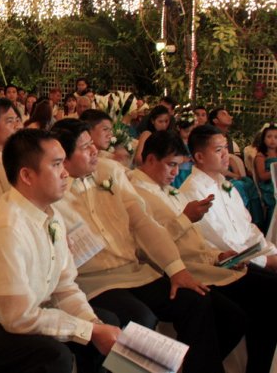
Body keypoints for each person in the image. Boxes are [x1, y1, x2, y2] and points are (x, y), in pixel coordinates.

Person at [50, 118, 244, 373]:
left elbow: (143, 222)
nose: (95, 150)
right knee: (140, 316)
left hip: (134, 271)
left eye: (92, 144)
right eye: (85, 147)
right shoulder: (53, 188)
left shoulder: (110, 171)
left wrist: (176, 269)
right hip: (93, 280)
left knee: (196, 301)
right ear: (63, 158)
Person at [0, 129, 122, 373]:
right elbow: (18, 319)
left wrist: (94, 324)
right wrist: (90, 331)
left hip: (10, 315)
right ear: (27, 175)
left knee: (105, 323)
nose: (65, 172)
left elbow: (64, 287)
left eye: (63, 163)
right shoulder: (7, 229)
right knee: (54, 356)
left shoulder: (51, 215)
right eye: (56, 164)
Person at [132, 130, 277, 373]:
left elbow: (212, 236)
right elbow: (151, 243)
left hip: (208, 261)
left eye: (178, 166)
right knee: (239, 310)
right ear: (150, 159)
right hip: (182, 268)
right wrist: (186, 219)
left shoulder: (166, 189)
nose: (175, 173)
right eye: (171, 165)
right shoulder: (136, 193)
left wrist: (218, 255)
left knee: (260, 299)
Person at [181, 125, 277, 271]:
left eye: (226, 147)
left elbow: (248, 227)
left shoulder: (227, 185)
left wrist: (270, 252)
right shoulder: (194, 192)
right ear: (199, 157)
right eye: (218, 150)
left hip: (252, 259)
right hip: (230, 267)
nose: (226, 154)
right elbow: (220, 242)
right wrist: (265, 261)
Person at [254, 122, 277, 227]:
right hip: (269, 186)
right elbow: (262, 176)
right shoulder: (261, 156)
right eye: (269, 137)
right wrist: (275, 171)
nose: (273, 140)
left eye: (276, 137)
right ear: (263, 139)